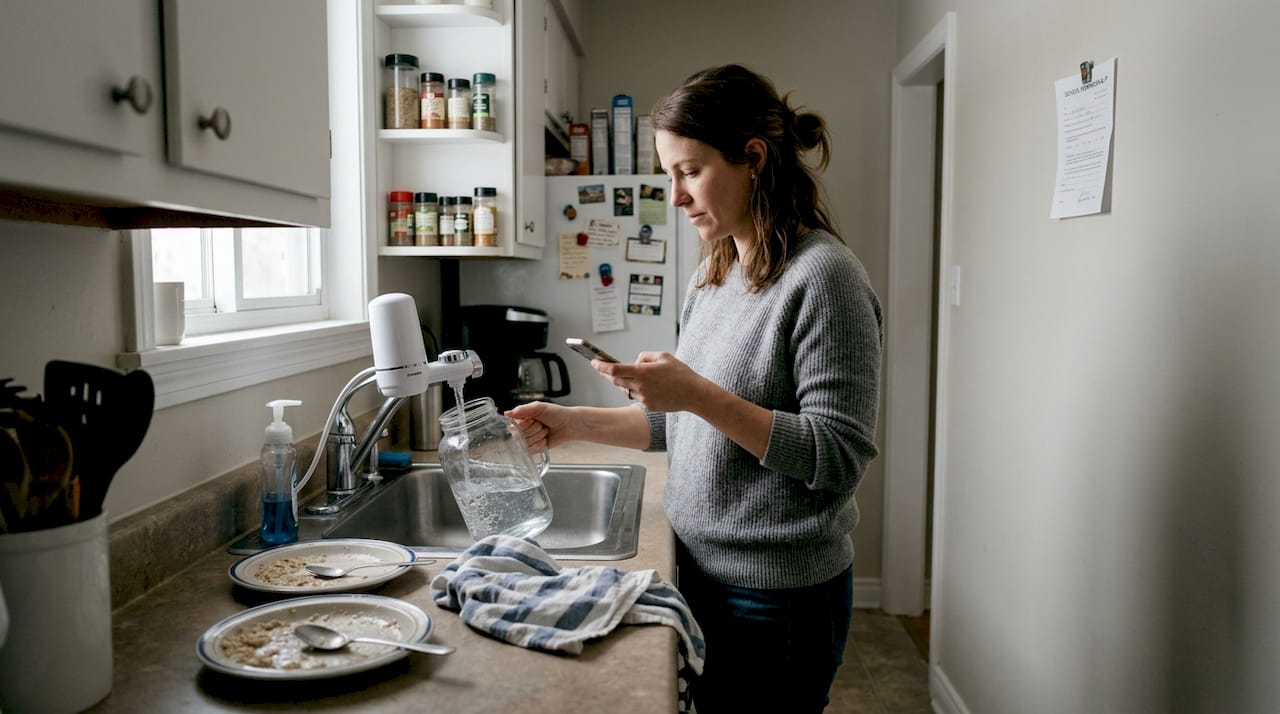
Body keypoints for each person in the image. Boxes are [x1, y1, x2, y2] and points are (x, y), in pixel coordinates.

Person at [508, 63, 882, 713]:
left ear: (753, 159)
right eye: (668, 174)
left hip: (775, 598)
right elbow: (680, 424)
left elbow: (837, 459)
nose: (675, 196)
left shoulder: (825, 279)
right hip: (698, 573)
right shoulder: (715, 273)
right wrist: (575, 424)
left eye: (689, 171)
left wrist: (697, 393)